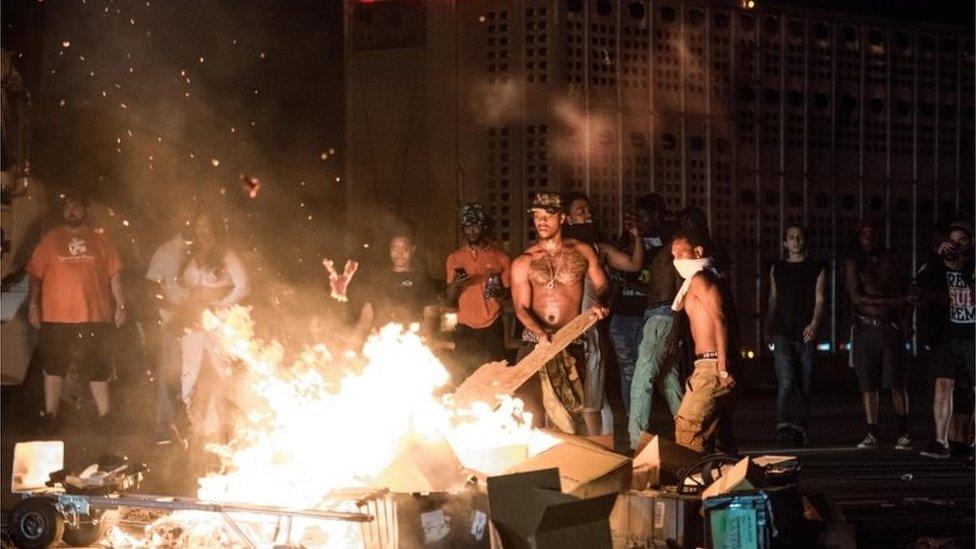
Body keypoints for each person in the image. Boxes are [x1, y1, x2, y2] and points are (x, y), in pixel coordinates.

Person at [510, 192, 609, 435]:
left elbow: (603, 285)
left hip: (571, 341)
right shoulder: (525, 261)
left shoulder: (582, 252)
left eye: (548, 215)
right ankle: (534, 468)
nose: (541, 221)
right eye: (537, 216)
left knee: (573, 415)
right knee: (529, 413)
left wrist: (600, 302)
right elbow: (521, 308)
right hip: (535, 343)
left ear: (562, 217)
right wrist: (541, 334)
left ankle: (572, 468)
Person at [26, 193, 125, 431]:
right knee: (54, 366)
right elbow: (35, 276)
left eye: (76, 205)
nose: (71, 210)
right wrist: (33, 304)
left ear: (84, 210)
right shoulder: (51, 239)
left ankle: (105, 418)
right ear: (63, 211)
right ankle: (51, 416)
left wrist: (121, 306)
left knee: (99, 366)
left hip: (95, 315)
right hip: (57, 316)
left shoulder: (100, 240)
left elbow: (115, 276)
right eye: (68, 206)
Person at [563, 193, 645, 435]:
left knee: (593, 396)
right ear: (566, 218)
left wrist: (637, 237)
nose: (588, 214)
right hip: (564, 333)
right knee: (571, 394)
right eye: (581, 211)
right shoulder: (559, 249)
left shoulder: (600, 249)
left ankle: (600, 450)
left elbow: (635, 265)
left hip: (591, 328)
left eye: (589, 210)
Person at [178, 212, 250, 440]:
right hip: (194, 319)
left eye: (207, 225)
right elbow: (181, 285)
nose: (202, 229)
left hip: (219, 320)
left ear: (215, 228)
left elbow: (244, 285)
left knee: (224, 370)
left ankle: (232, 426)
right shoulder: (189, 254)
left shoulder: (226, 255)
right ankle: (192, 426)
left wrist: (220, 306)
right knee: (189, 371)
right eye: (199, 224)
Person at [844, 217, 913, 450]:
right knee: (868, 383)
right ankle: (871, 432)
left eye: (873, 234)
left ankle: (904, 433)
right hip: (865, 327)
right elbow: (856, 296)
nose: (869, 239)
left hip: (890, 326)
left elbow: (906, 291)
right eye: (864, 234)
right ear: (858, 236)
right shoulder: (854, 262)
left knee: (897, 381)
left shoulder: (892, 259)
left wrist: (905, 322)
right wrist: (893, 301)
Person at [670, 229, 739, 454]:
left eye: (681, 254)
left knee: (688, 426)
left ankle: (695, 479)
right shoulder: (698, 280)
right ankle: (718, 481)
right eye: (673, 255)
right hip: (707, 364)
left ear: (697, 251)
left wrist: (722, 367)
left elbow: (721, 321)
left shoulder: (701, 279)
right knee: (716, 435)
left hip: (712, 366)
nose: (676, 260)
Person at [764, 224, 826, 446]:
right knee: (787, 381)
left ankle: (800, 429)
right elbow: (773, 299)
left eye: (799, 237)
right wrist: (768, 327)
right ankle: (783, 428)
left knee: (805, 383)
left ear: (805, 241)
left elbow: (820, 299)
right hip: (783, 331)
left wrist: (815, 323)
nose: (796, 241)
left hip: (806, 332)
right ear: (785, 243)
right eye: (791, 237)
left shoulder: (816, 268)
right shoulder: (777, 268)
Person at [918, 219, 974, 459]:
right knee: (942, 385)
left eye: (962, 241)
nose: (956, 247)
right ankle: (941, 441)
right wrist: (935, 257)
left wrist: (960, 267)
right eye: (952, 242)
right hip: (947, 334)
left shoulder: (972, 264)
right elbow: (919, 285)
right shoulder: (937, 265)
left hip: (972, 335)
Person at [628, 213, 685, 450]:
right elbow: (658, 288)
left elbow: (681, 292)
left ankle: (636, 442)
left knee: (642, 380)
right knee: (669, 381)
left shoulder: (672, 252)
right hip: (661, 317)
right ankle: (689, 433)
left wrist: (675, 331)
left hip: (662, 319)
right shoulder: (662, 255)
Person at [608, 194, 667, 417]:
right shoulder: (623, 244)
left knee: (651, 375)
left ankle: (648, 426)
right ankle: (636, 429)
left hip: (650, 317)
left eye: (641, 217)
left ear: (656, 217)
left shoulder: (665, 246)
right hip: (623, 316)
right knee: (629, 374)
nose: (637, 222)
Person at [445, 203, 511, 376]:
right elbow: (450, 299)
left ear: (484, 226)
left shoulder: (500, 257)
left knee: (496, 375)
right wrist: (456, 284)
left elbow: (508, 293)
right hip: (464, 327)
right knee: (464, 376)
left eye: (475, 226)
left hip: (492, 326)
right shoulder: (455, 258)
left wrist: (499, 292)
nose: (471, 231)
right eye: (467, 227)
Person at [145, 209, 191, 444]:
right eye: (188, 219)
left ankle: (193, 428)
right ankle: (163, 429)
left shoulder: (205, 253)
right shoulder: (166, 251)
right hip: (172, 323)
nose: (192, 225)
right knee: (168, 376)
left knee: (193, 377)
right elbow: (151, 285)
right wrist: (171, 308)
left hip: (200, 324)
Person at [356, 229, 440, 342]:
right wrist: (355, 339)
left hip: (412, 342)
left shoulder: (424, 279)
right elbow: (366, 315)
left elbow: (431, 316)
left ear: (412, 250)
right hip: (380, 342)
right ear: (389, 249)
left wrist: (421, 337)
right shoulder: (378, 278)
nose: (399, 254)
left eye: (404, 249)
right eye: (395, 249)